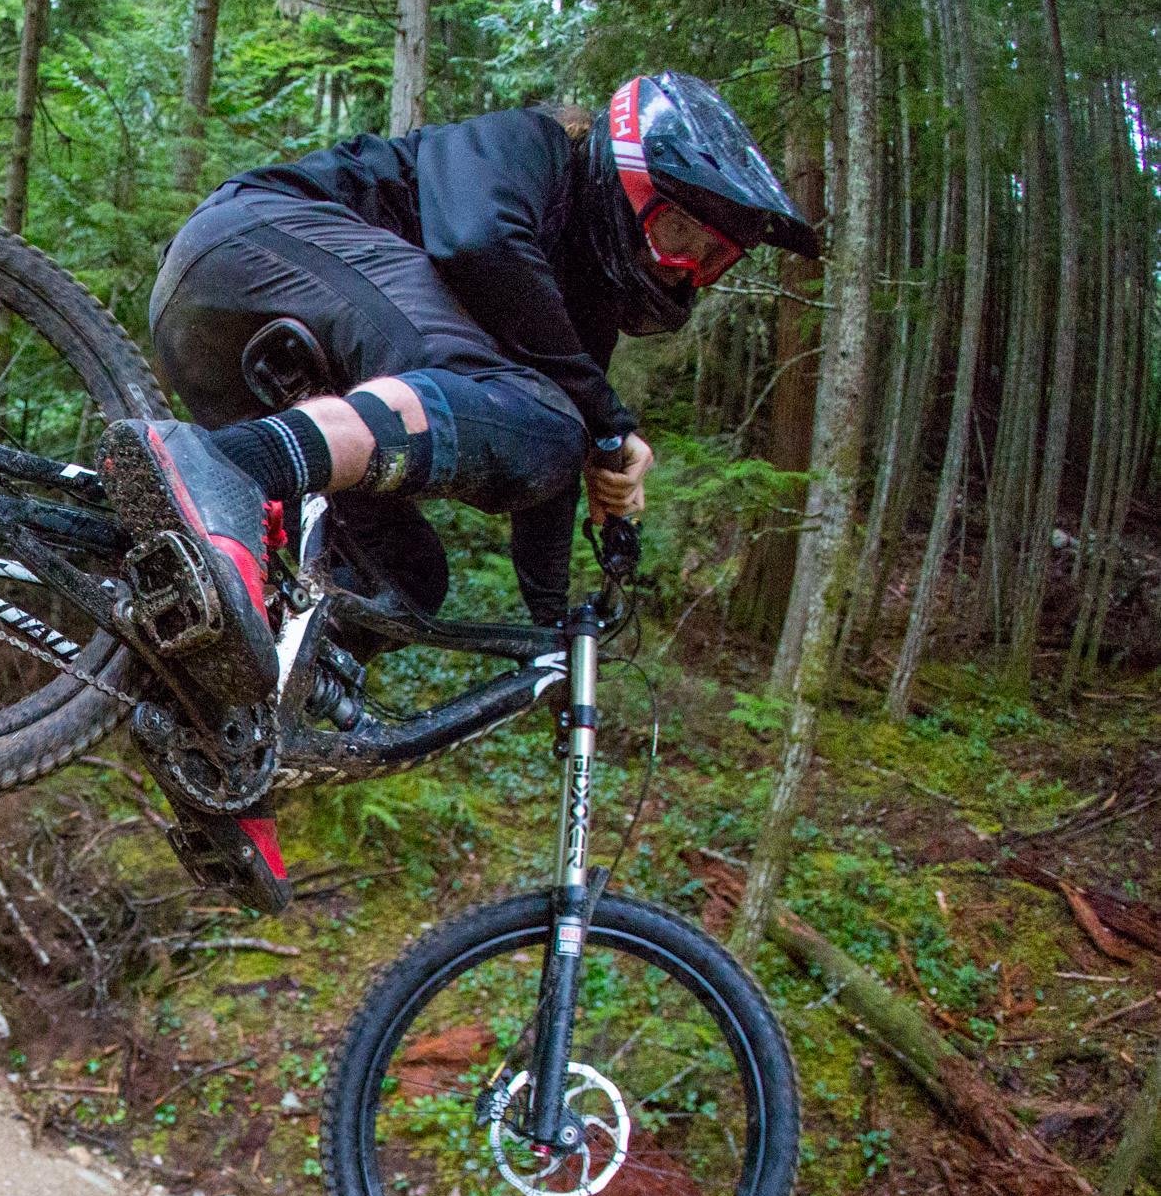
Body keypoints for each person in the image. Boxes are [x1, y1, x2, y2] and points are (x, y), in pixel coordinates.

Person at [98, 72, 818, 912]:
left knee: (405, 579)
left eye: (712, 257)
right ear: (627, 179)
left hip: (262, 342)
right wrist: (609, 424)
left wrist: (561, 622)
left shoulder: (577, 313)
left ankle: (209, 739)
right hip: (255, 245)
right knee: (534, 408)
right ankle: (232, 466)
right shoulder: (534, 148)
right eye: (679, 233)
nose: (688, 268)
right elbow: (477, 240)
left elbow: (543, 475)